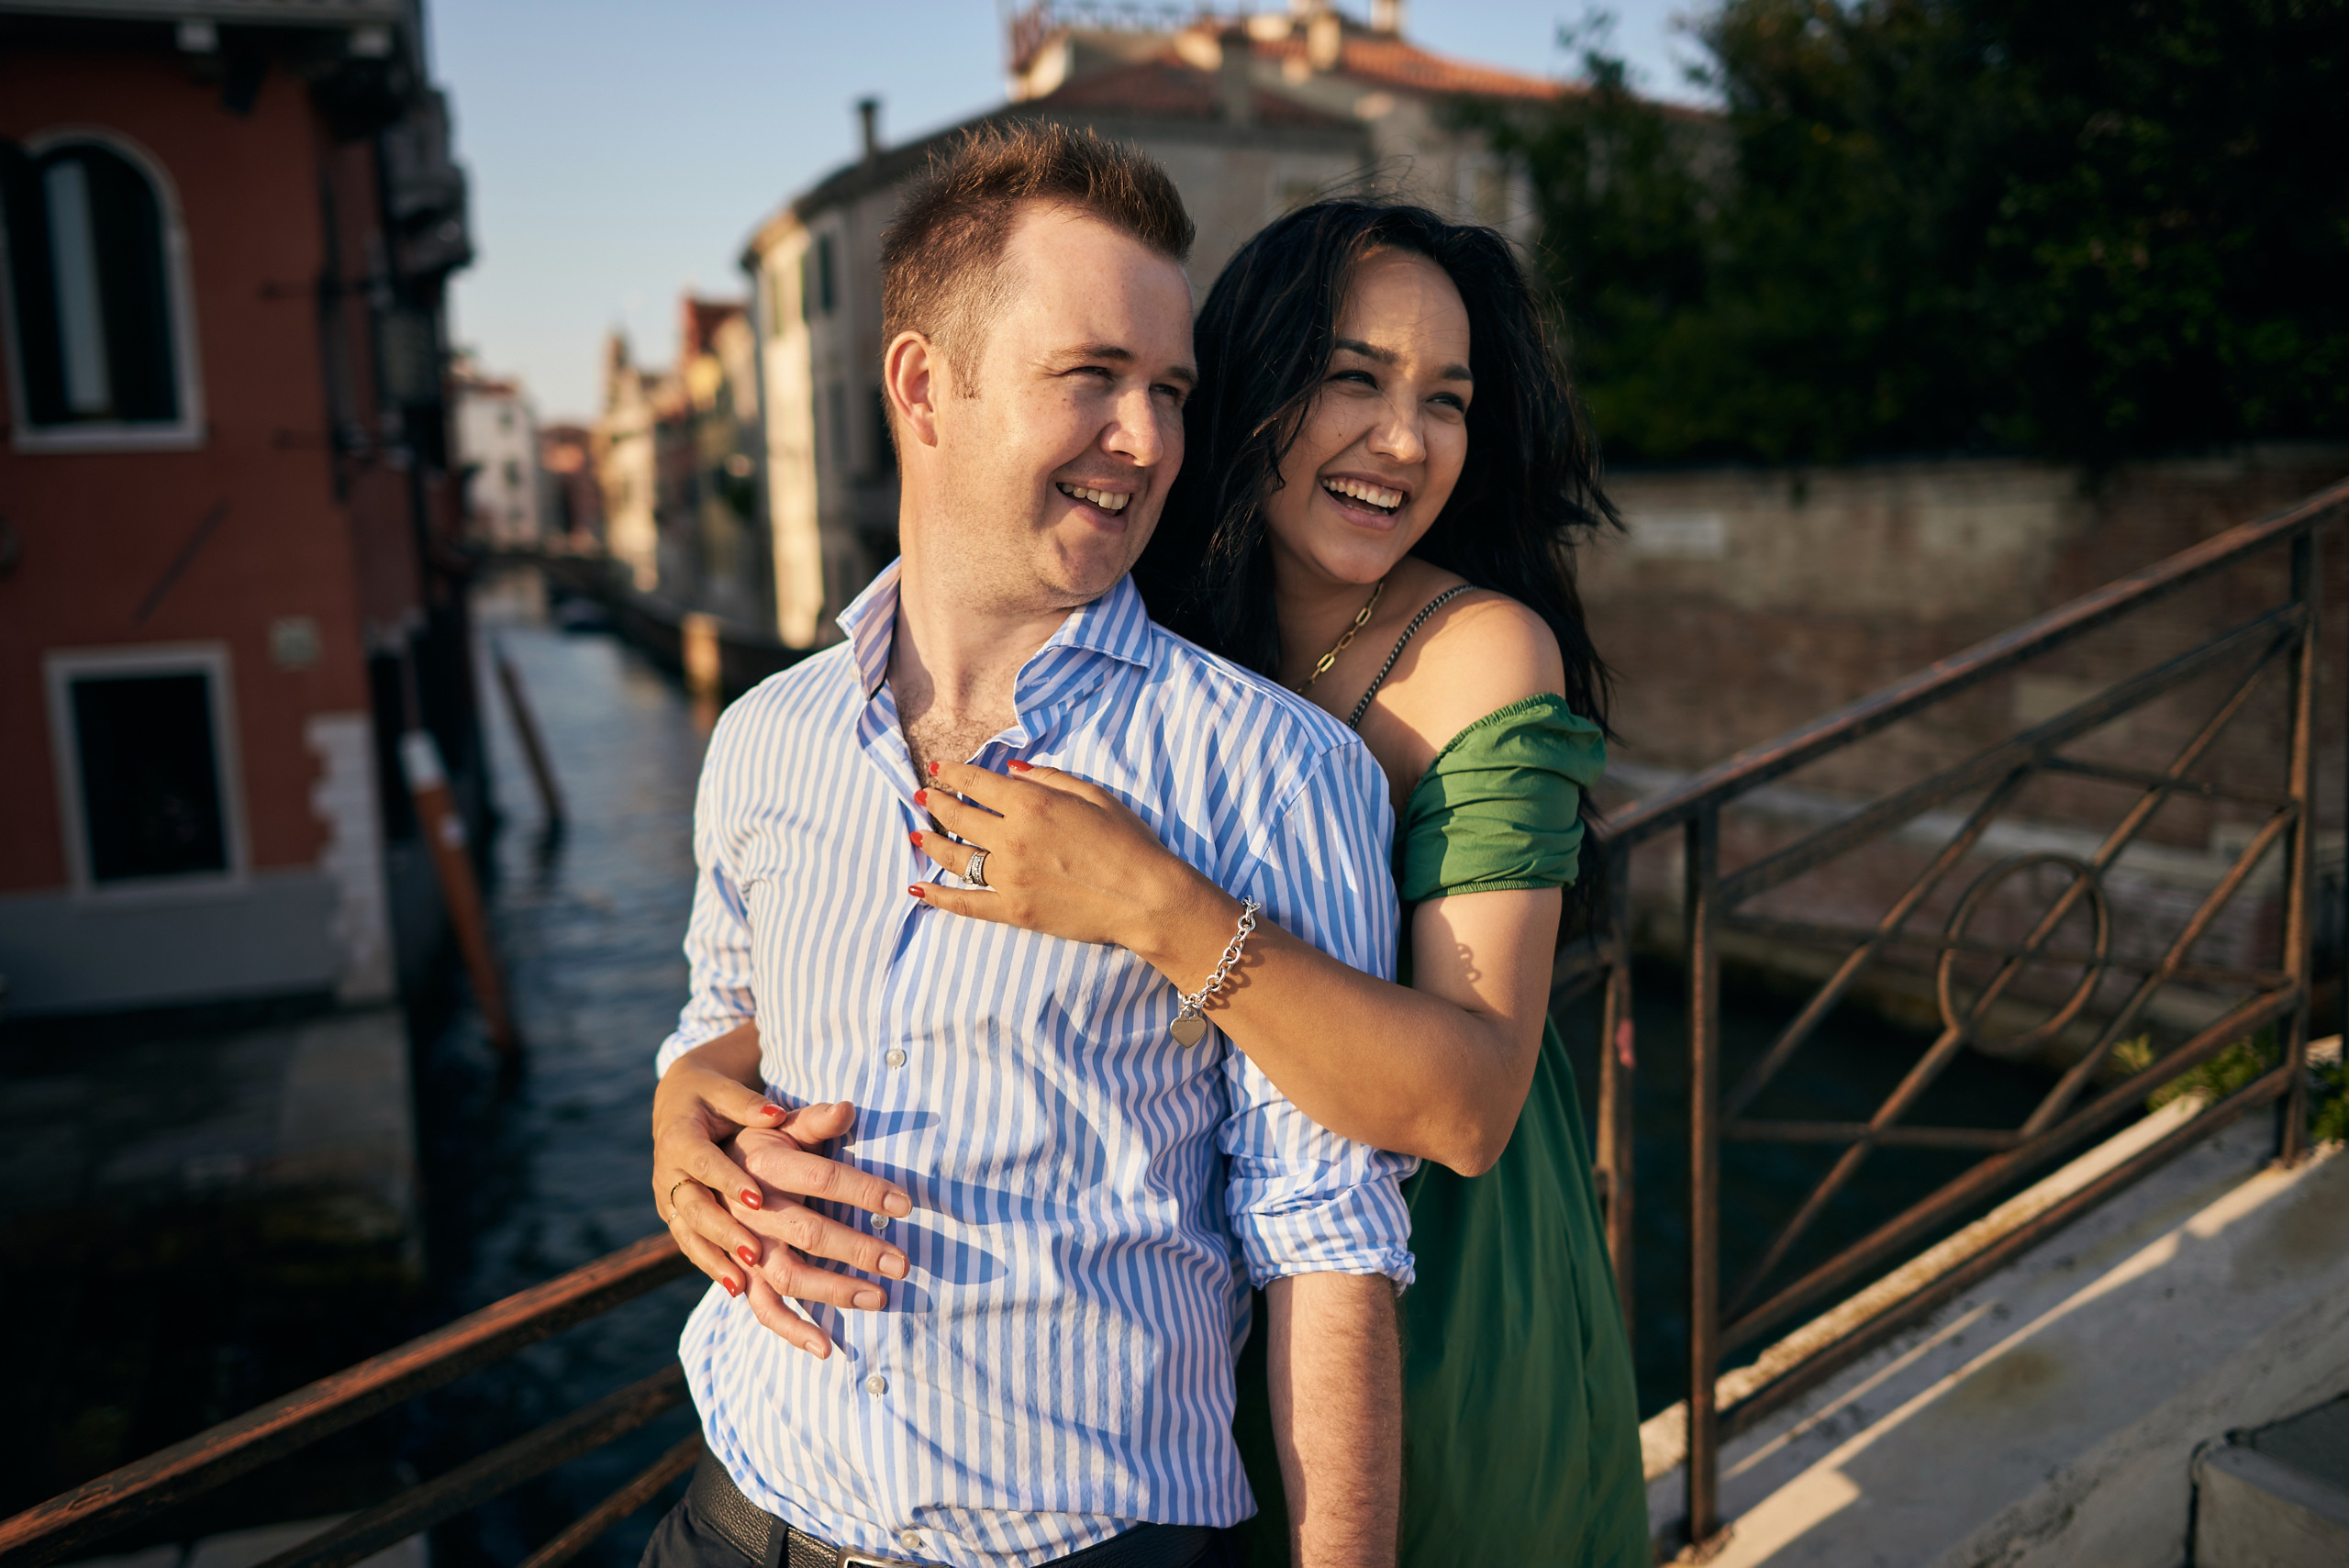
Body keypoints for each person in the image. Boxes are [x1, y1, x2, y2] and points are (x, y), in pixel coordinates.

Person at [662, 200, 1649, 1562]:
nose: (1406, 440)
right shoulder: (1145, 595)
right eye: (1352, 378)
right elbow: (881, 933)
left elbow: (1468, 1106)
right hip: (1163, 1339)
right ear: (1251, 396)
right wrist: (692, 1091)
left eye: (1446, 399)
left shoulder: (1478, 650)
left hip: (1432, 1276)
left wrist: (1155, 905)